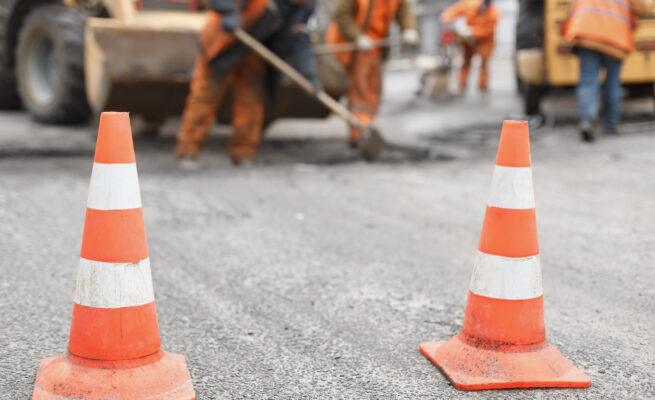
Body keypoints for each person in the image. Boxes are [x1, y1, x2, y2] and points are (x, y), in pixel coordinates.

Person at [175, 0, 319, 164]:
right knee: (205, 97)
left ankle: (243, 153)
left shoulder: (304, 6)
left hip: (252, 49)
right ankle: (188, 150)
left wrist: (309, 76)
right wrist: (228, 12)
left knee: (251, 101)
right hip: (222, 41)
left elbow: (299, 39)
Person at [326, 0, 419, 146]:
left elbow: (403, 9)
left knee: (374, 91)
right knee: (359, 91)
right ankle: (360, 134)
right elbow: (341, 15)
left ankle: (366, 128)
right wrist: (357, 36)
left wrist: (409, 28)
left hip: (376, 47)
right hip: (354, 48)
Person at [563, 0, 653, 142]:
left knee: (588, 80)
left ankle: (587, 119)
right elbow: (642, 8)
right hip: (615, 37)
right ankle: (610, 125)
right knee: (612, 82)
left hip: (586, 32)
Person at [441, 0, 499, 94]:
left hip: (485, 41)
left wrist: (472, 32)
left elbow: (488, 30)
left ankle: (483, 87)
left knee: (484, 63)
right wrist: (447, 17)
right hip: (468, 41)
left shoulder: (494, 13)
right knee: (466, 62)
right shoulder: (469, 4)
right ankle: (461, 86)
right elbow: (453, 10)